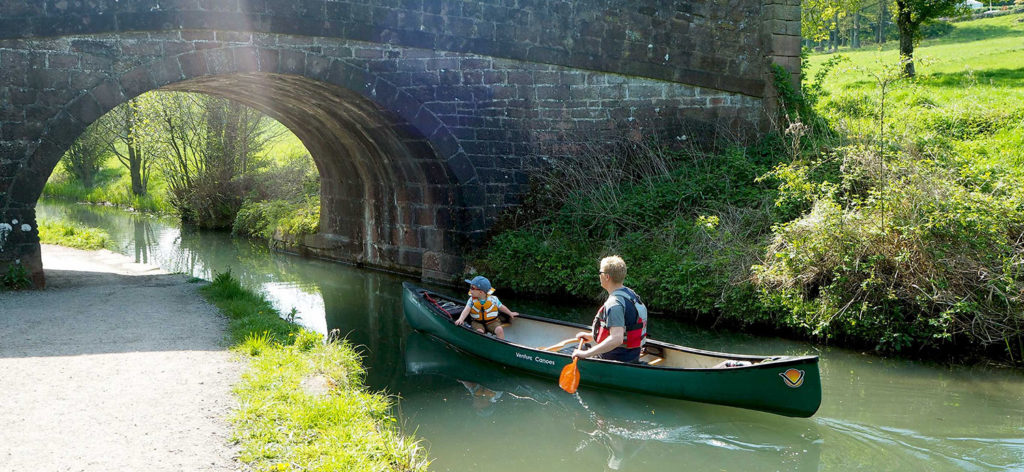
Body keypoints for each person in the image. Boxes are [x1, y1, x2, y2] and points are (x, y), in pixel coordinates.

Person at [572, 255, 648, 363]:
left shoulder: (614, 304)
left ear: (607, 277)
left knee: (580, 350)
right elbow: (624, 327)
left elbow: (617, 339)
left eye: (600, 273)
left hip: (616, 359)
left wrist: (585, 354)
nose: (599, 276)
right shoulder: (629, 294)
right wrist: (592, 336)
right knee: (585, 346)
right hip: (631, 355)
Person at [453, 275, 518, 340]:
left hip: (492, 321)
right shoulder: (471, 300)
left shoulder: (493, 299)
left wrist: (510, 313)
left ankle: (502, 345)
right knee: (479, 332)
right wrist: (461, 319)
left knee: (499, 329)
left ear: (481, 292)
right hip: (477, 322)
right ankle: (482, 344)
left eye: (472, 288)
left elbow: (501, 307)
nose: (470, 290)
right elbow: (466, 310)